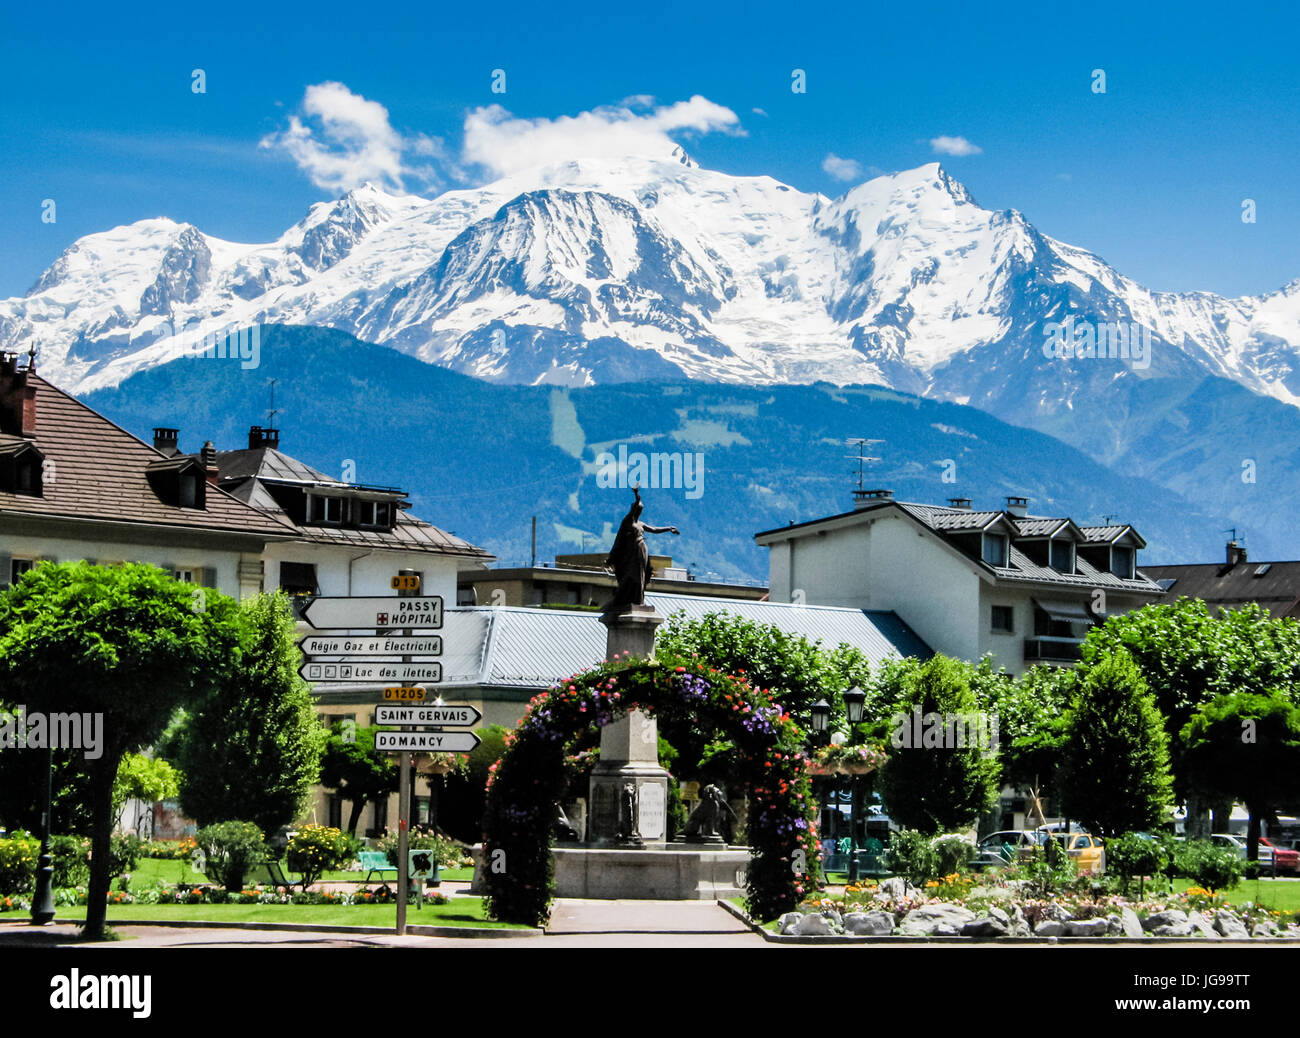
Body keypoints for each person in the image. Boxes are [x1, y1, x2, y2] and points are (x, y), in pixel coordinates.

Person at [603, 486, 679, 615]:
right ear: (634, 510)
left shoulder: (641, 523)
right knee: (632, 575)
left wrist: (669, 528)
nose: (639, 511)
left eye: (640, 510)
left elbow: (654, 530)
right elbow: (619, 539)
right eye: (638, 509)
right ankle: (628, 599)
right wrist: (637, 494)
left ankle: (639, 600)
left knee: (641, 576)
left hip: (642, 550)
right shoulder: (627, 521)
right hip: (630, 553)